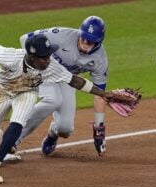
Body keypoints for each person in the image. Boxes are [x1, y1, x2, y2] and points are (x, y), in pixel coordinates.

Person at [0, 34, 116, 184]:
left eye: (48, 55)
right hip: (1, 92)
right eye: (44, 57)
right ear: (32, 56)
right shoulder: (9, 56)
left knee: (18, 121)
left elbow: (76, 80)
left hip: (26, 93)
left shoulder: (51, 67)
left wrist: (104, 94)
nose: (48, 60)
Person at [15, 16, 108, 156]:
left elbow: (99, 94)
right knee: (53, 100)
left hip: (68, 81)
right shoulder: (60, 35)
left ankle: (53, 133)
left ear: (98, 42)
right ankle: (14, 137)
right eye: (83, 38)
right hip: (44, 73)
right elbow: (24, 38)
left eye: (90, 41)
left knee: (65, 129)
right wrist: (37, 61)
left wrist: (99, 127)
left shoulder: (100, 60)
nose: (84, 42)